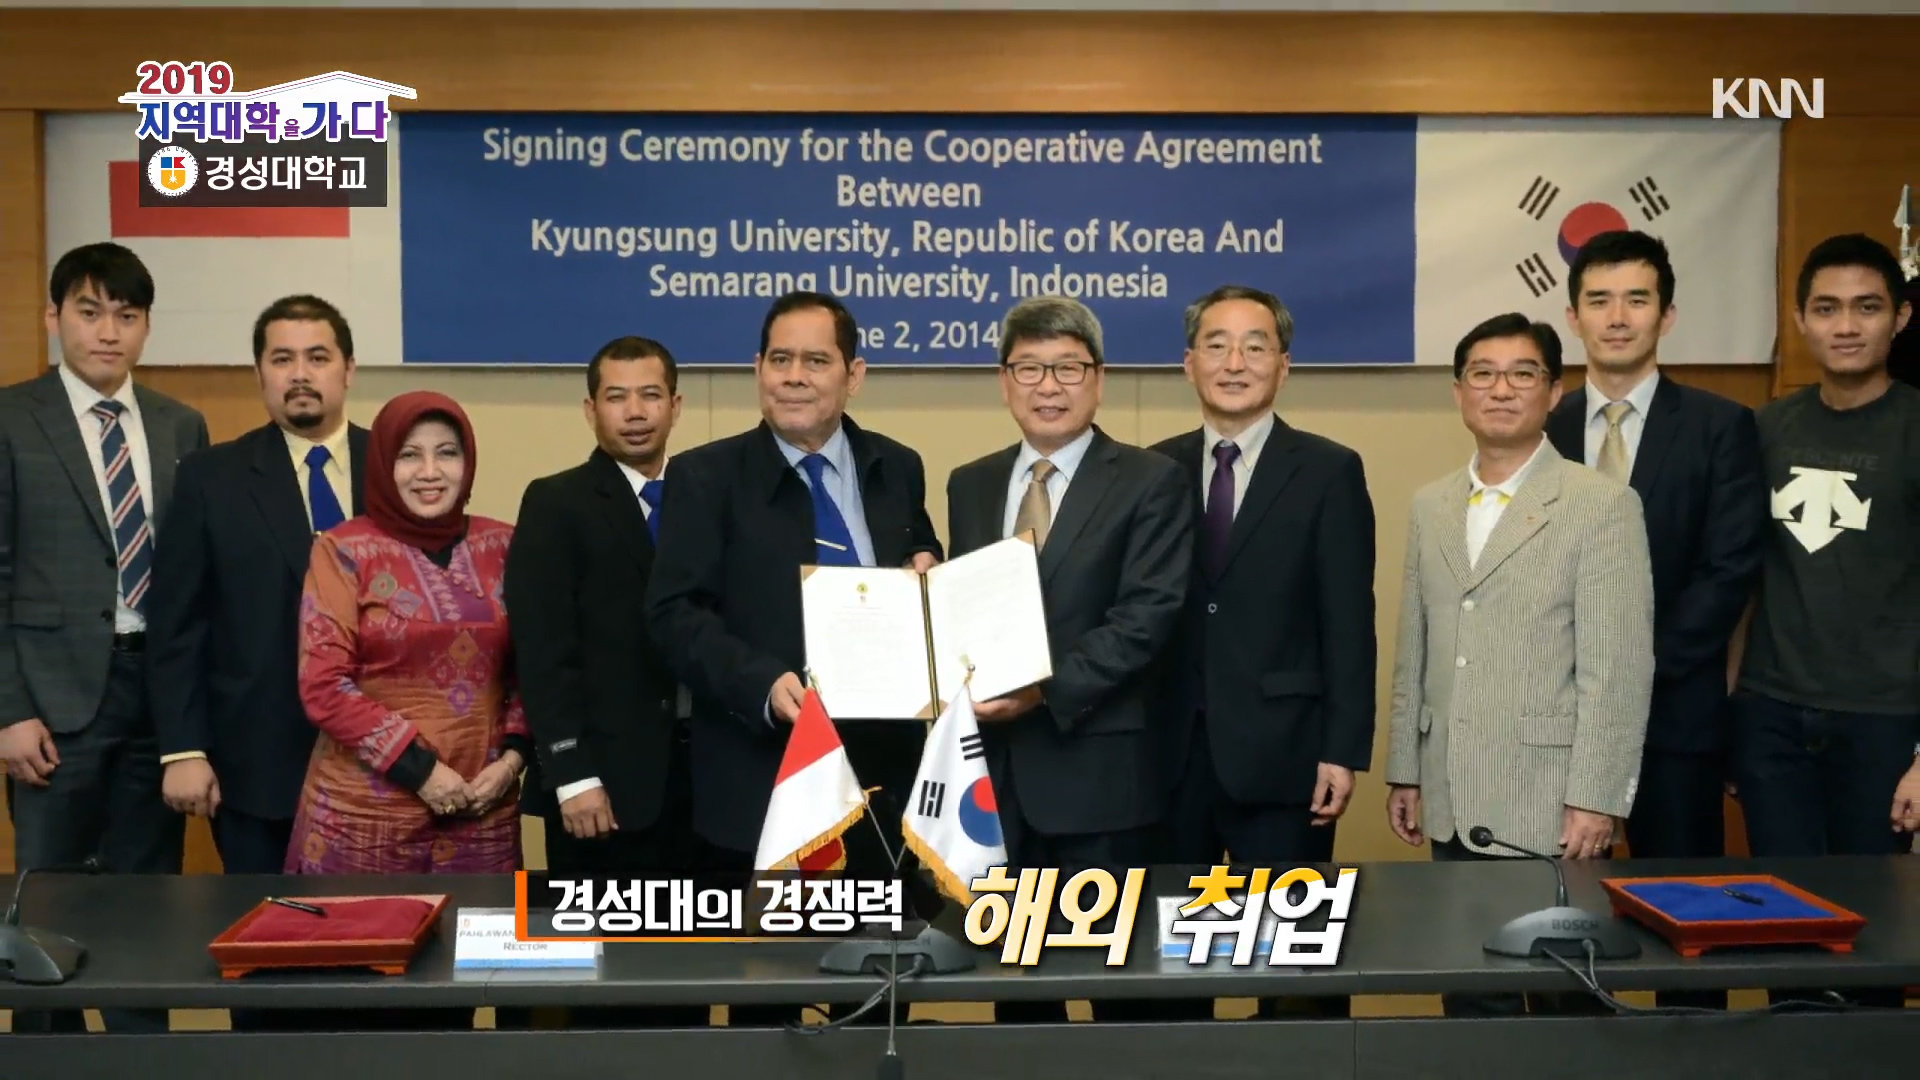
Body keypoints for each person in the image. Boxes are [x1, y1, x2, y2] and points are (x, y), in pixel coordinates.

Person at [644, 292, 942, 1026]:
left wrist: (930, 574)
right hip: (763, 778)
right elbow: (673, 615)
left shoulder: (897, 467)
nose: (795, 376)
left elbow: (919, 558)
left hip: (881, 782)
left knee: (879, 995)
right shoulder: (704, 476)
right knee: (766, 1003)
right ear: (758, 369)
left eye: (816, 360)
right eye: (780, 359)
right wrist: (760, 682)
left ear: (854, 375)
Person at [1384, 312, 1653, 1018]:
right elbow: (1416, 645)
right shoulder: (1432, 504)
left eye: (1522, 374)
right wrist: (1406, 767)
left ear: (1554, 391)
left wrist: (1596, 797)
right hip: (1450, 793)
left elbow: (1617, 669)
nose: (1501, 389)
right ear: (1459, 391)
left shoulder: (1602, 505)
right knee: (1471, 994)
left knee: (1566, 1002)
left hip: (1550, 802)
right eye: (1483, 374)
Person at [946, 295, 1192, 1023]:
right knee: (1021, 999)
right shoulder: (971, 481)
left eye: (1067, 368)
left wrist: (1042, 691)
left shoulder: (1149, 479)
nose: (1047, 386)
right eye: (1029, 368)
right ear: (1004, 381)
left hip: (1101, 782)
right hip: (995, 786)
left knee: (1121, 998)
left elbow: (1145, 617)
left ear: (1099, 379)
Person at [1149, 284, 1374, 1022]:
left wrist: (1343, 749)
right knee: (1172, 967)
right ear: (1189, 363)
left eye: (1255, 346)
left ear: (1284, 364)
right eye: (1216, 345)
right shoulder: (1150, 471)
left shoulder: (1329, 469)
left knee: (1293, 972)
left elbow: (1349, 621)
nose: (1235, 363)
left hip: (1287, 760)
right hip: (1171, 760)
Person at [0, 242, 209, 1035]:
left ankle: (139, 1056)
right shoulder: (11, 418)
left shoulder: (181, 425)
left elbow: (194, 580)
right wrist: (7, 709)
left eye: (126, 315)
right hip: (51, 703)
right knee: (47, 906)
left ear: (146, 325)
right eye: (89, 313)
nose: (108, 332)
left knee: (147, 899)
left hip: (157, 696)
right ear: (54, 319)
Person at [1544, 233, 1765, 924]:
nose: (1617, 318)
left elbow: (1729, 570)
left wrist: (1633, 670)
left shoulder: (1720, 426)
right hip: (1558, 718)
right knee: (1561, 918)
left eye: (1636, 300)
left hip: (1676, 718)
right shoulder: (1541, 428)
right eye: (1599, 300)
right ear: (1573, 316)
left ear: (1666, 316)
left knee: (1686, 915)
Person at [505, 336, 707, 1028]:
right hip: (604, 791)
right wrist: (571, 774)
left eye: (650, 395)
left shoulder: (705, 496)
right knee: (607, 991)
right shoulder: (556, 502)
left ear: (676, 405)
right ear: (590, 409)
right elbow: (543, 651)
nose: (635, 412)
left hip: (701, 787)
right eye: (616, 397)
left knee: (689, 983)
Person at [149, 295, 369, 877]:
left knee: (385, 921)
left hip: (387, 767)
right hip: (255, 768)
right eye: (282, 359)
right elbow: (176, 625)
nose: (300, 374)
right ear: (259, 374)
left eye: (317, 357)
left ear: (348, 369)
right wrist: (184, 749)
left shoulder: (399, 466)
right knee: (269, 922)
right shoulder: (210, 479)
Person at [1733, 234, 1918, 881]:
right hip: (1770, 713)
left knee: (1875, 919)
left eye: (1867, 307)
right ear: (1800, 319)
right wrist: (1733, 712)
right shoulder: (1763, 430)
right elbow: (1742, 583)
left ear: (1900, 317)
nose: (1845, 326)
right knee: (1781, 910)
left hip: (1886, 721)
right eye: (1826, 308)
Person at [287, 390, 528, 879]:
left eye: (447, 453)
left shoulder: (506, 545)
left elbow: (535, 666)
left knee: (483, 930)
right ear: (382, 463)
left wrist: (513, 761)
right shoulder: (342, 550)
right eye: (410, 455)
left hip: (483, 811)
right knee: (361, 931)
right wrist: (422, 771)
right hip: (362, 823)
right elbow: (324, 685)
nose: (430, 472)